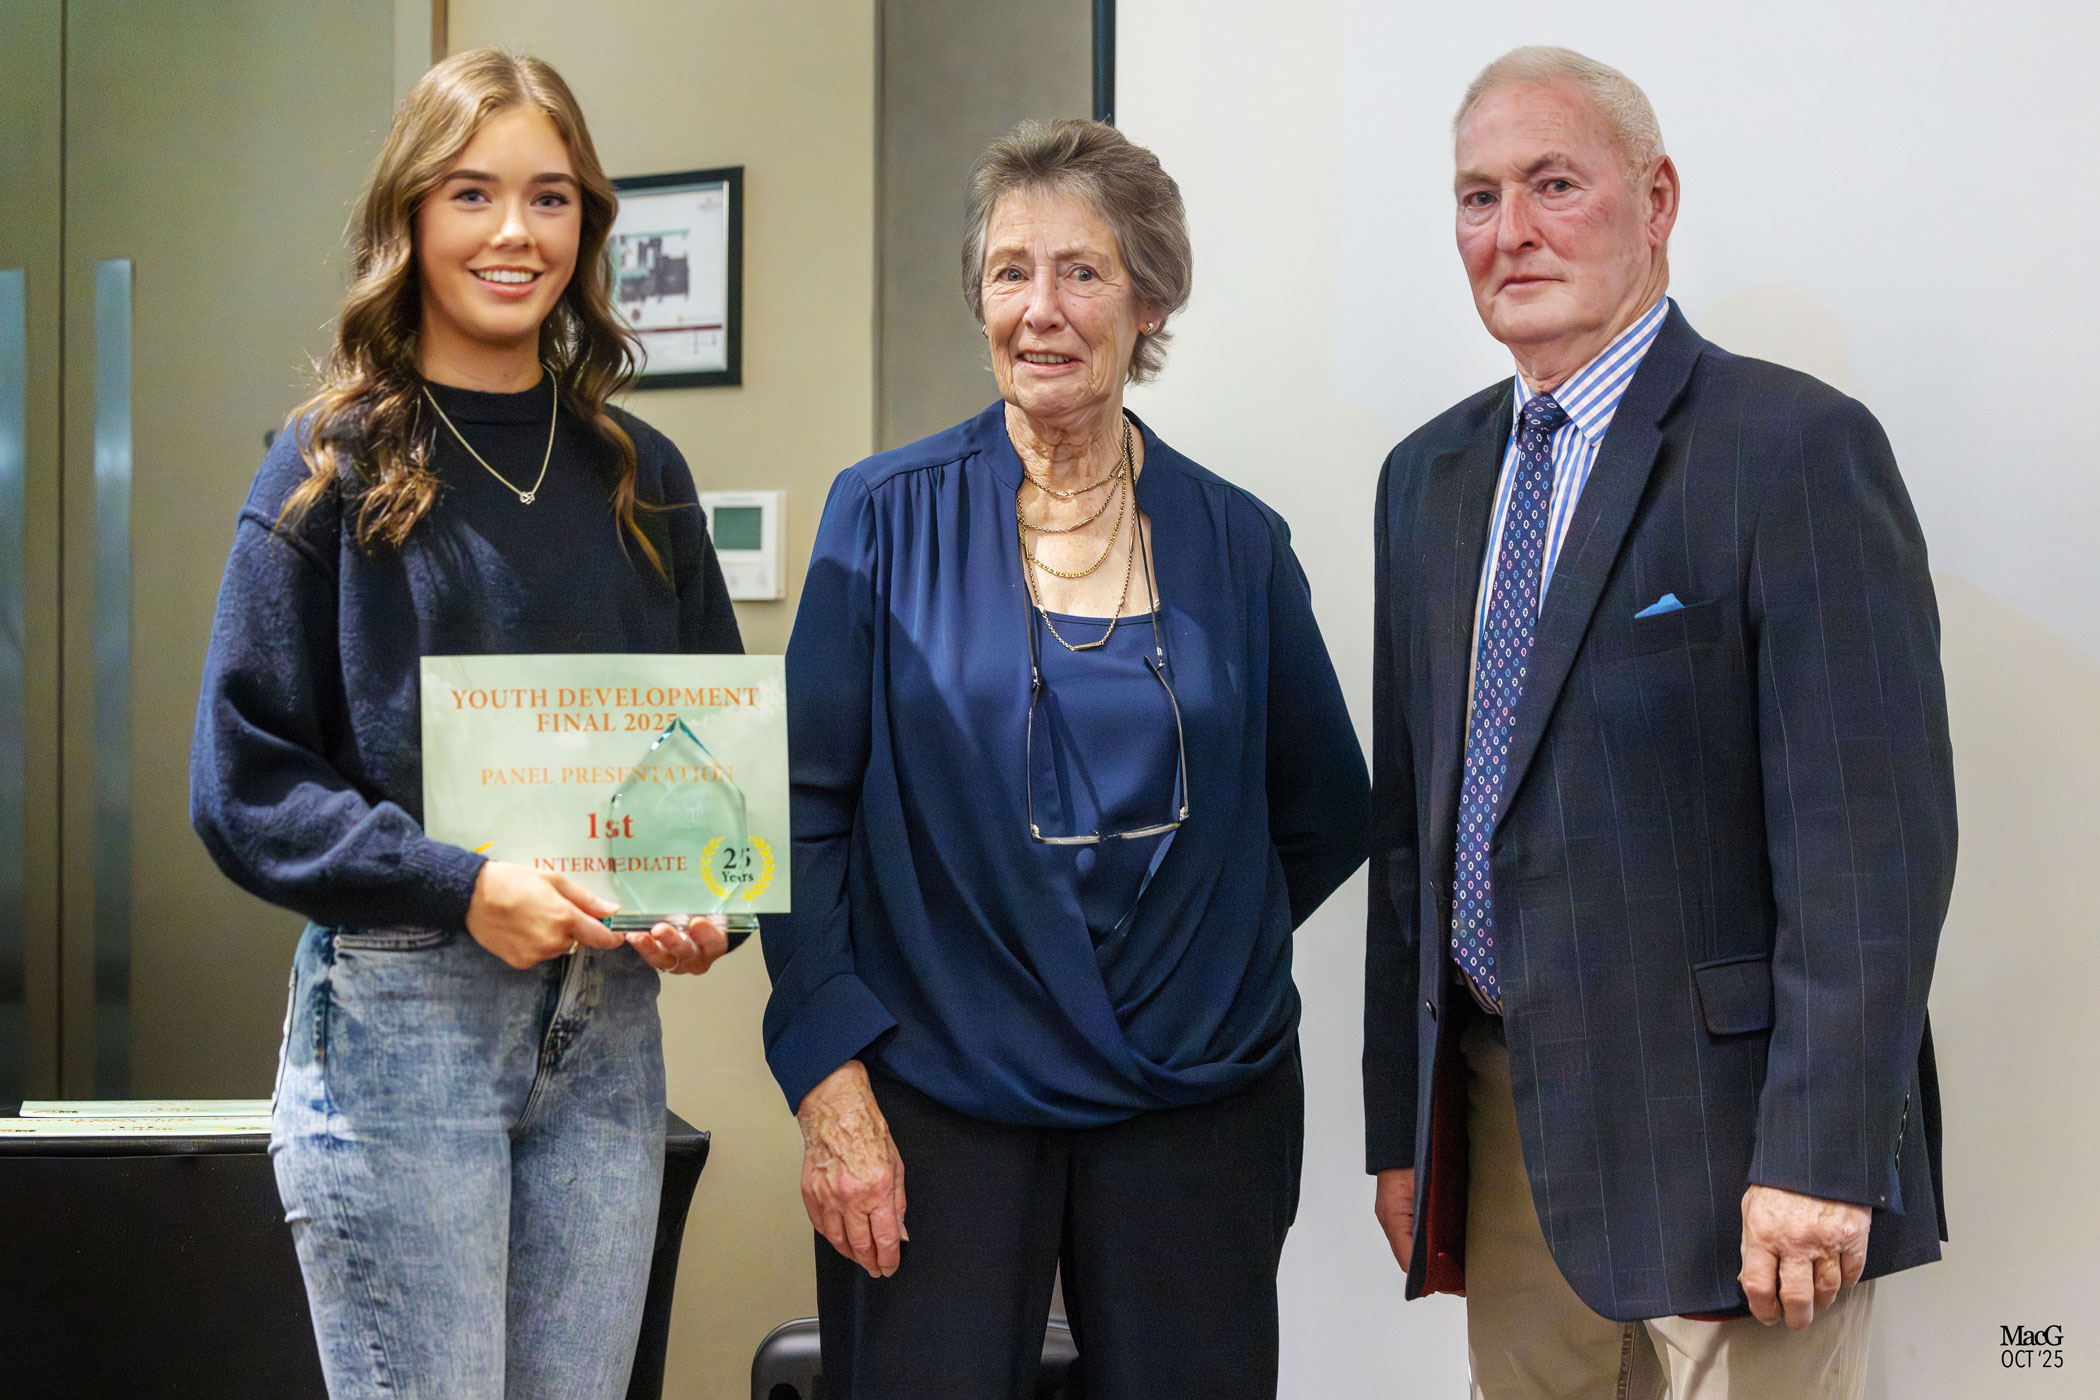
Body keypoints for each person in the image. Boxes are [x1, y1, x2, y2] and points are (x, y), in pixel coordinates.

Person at [1362, 46, 1956, 1400]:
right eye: (1477, 197)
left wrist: (1821, 1153)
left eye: (1553, 184)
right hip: (1504, 1143)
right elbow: (1412, 836)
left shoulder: (1792, 448)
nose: (1511, 230)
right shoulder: (1426, 479)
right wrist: (1406, 1129)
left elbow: (1871, 846)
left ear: (1656, 200)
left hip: (1740, 1159)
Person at [762, 119, 1369, 1398]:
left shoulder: (1240, 541)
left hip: (1198, 1101)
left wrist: (1193, 951)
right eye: (1010, 271)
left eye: (1081, 271)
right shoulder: (882, 516)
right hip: (935, 1090)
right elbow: (797, 810)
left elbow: (1323, 807)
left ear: (1149, 300)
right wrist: (828, 1078)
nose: (1039, 308)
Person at [188, 49, 742, 1399]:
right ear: (412, 216)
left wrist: (707, 902)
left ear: (586, 225)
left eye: (550, 197)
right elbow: (245, 781)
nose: (515, 232)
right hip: (402, 1021)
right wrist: (463, 884)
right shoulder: (327, 464)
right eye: (473, 193)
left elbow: (714, 760)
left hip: (607, 1028)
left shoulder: (641, 472)